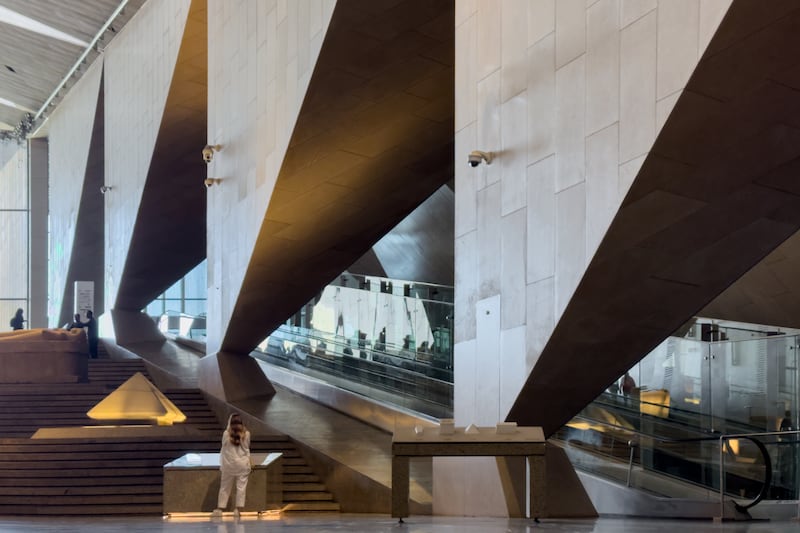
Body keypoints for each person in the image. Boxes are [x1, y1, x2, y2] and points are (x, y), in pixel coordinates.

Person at [213, 413, 251, 519]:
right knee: (241, 487)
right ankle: (238, 509)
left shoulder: (226, 434)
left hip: (228, 464)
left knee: (225, 487)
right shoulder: (247, 434)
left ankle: (220, 508)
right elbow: (247, 448)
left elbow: (223, 447)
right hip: (242, 463)